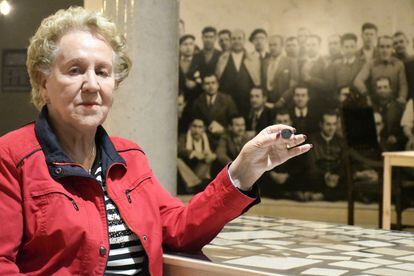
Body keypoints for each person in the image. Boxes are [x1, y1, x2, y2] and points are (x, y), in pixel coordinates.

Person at [0, 7, 312, 275]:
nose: (92, 85)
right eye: (75, 70)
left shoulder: (130, 157)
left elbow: (179, 228)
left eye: (103, 72)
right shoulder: (11, 157)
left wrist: (244, 169)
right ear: (43, 81)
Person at [216, 29, 261, 116]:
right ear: (230, 40)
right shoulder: (222, 59)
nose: (236, 41)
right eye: (234, 39)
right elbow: (218, 78)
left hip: (247, 100)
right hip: (227, 100)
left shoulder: (252, 59)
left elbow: (257, 80)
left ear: (244, 40)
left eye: (239, 38)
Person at [354, 35, 408, 105]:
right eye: (382, 47)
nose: (385, 50)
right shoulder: (371, 64)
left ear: (392, 49)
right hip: (375, 103)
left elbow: (403, 84)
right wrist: (366, 95)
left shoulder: (398, 64)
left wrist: (402, 97)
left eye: (388, 47)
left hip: (393, 103)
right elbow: (358, 81)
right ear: (378, 48)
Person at [192, 74, 238, 147]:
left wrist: (223, 130)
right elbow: (193, 123)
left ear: (218, 85)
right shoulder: (197, 102)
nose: (211, 86)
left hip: (223, 141)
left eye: (213, 83)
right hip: (203, 142)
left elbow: (236, 123)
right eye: (207, 84)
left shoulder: (227, 100)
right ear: (203, 86)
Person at [309, 111, 346, 201]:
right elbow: (311, 164)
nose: (331, 128)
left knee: (347, 182)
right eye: (328, 124)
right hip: (318, 176)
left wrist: (337, 176)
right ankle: (327, 195)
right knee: (306, 176)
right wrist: (325, 176)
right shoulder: (312, 140)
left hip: (335, 179)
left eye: (334, 124)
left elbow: (343, 163)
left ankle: (322, 195)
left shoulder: (341, 141)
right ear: (321, 124)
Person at [177, 118, 216, 189]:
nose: (197, 130)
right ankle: (196, 184)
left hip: (201, 170)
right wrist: (193, 153)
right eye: (194, 126)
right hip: (187, 169)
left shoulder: (209, 139)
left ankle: (195, 184)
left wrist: (211, 155)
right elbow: (179, 149)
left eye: (200, 127)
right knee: (177, 161)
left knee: (209, 159)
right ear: (190, 127)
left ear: (204, 129)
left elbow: (216, 152)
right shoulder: (184, 137)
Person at [265, 35, 298, 108]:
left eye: (275, 45)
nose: (272, 48)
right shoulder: (265, 62)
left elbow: (293, 86)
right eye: (270, 45)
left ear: (282, 46)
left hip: (284, 103)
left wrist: (282, 100)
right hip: (267, 103)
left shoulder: (291, 62)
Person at [179, 34, 202, 105]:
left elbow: (205, 79)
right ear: (180, 46)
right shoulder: (174, 61)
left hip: (195, 100)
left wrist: (196, 84)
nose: (188, 47)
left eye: (191, 44)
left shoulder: (200, 61)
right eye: (185, 44)